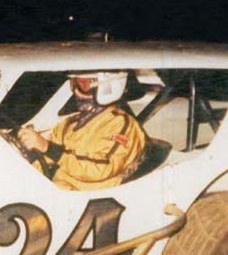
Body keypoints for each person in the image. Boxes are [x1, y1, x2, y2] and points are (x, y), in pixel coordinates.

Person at [17, 71, 146, 190]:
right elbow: (46, 160)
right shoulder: (69, 123)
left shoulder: (121, 124)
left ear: (108, 86)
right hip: (58, 189)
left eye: (87, 82)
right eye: (77, 82)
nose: (79, 88)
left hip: (88, 197)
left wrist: (47, 147)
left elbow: (101, 168)